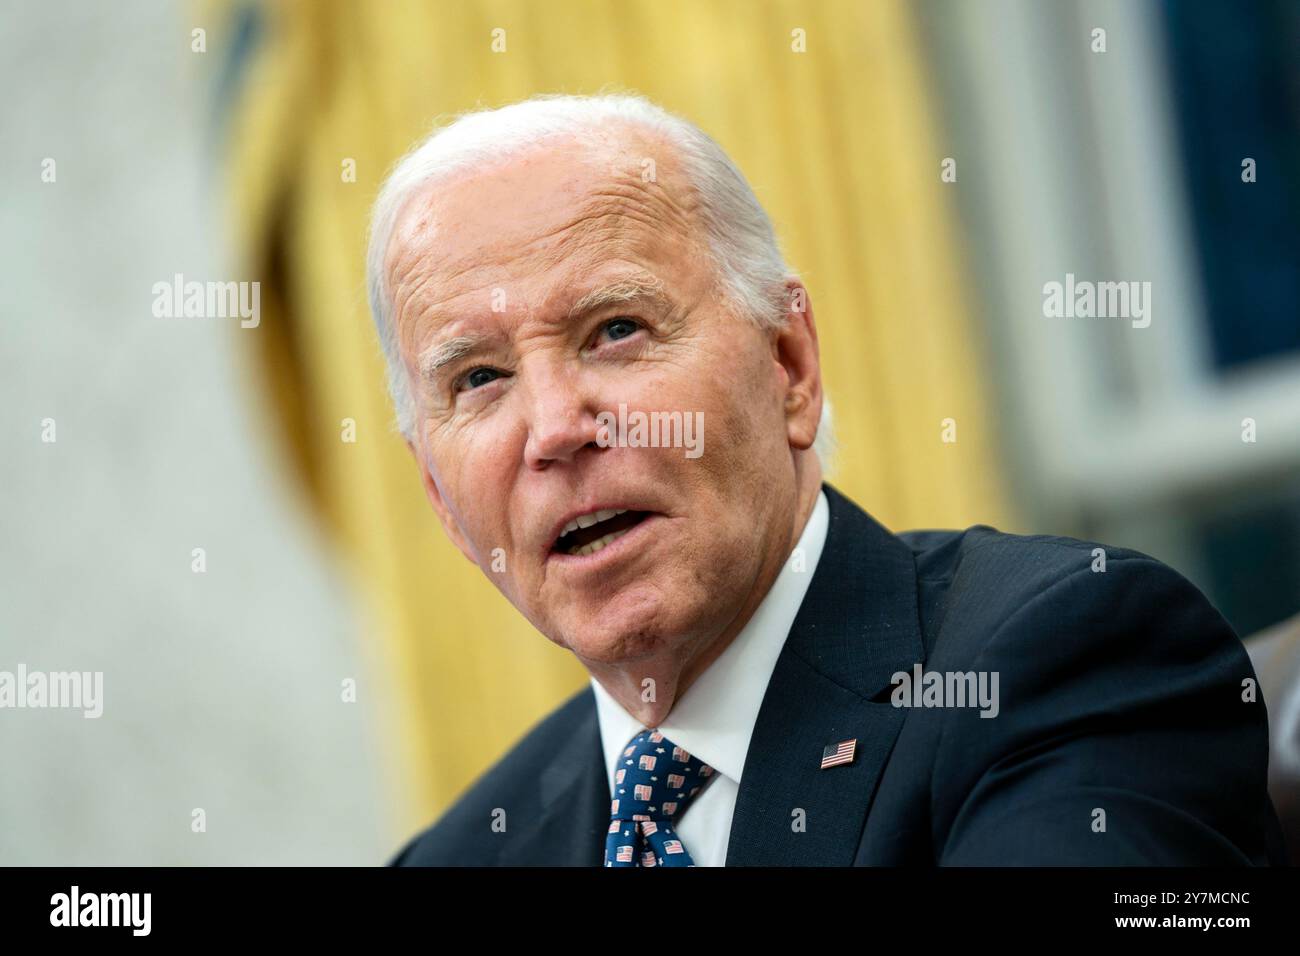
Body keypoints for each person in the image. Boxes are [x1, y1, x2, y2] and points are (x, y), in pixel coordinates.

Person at [364, 93, 1286, 866]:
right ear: (443, 503)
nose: (558, 430)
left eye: (615, 330)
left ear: (789, 364)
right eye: (478, 379)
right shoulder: (459, 854)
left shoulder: (1063, 665)